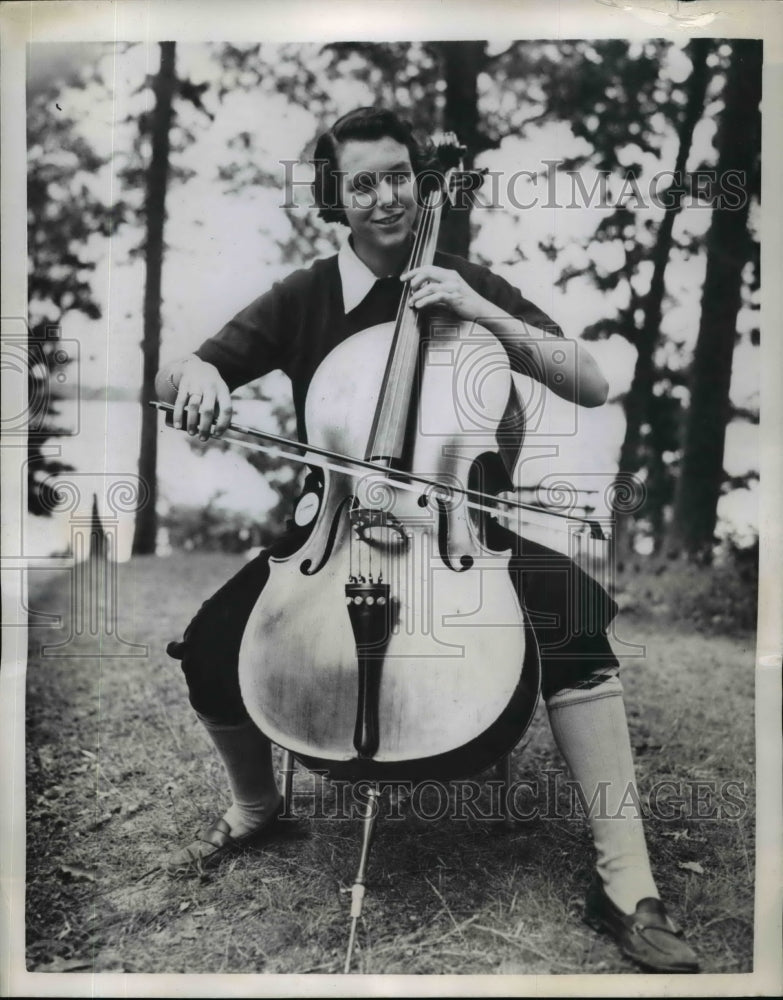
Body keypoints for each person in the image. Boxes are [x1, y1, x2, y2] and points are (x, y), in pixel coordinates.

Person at [155, 107, 700, 974]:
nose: (385, 197)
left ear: (420, 181)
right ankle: (258, 808)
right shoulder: (306, 295)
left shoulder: (463, 280)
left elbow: (591, 381)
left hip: (456, 529)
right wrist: (199, 377)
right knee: (212, 646)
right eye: (362, 182)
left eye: (398, 176)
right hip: (332, 529)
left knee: (574, 624)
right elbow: (182, 369)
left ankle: (626, 882)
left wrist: (481, 310)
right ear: (335, 196)